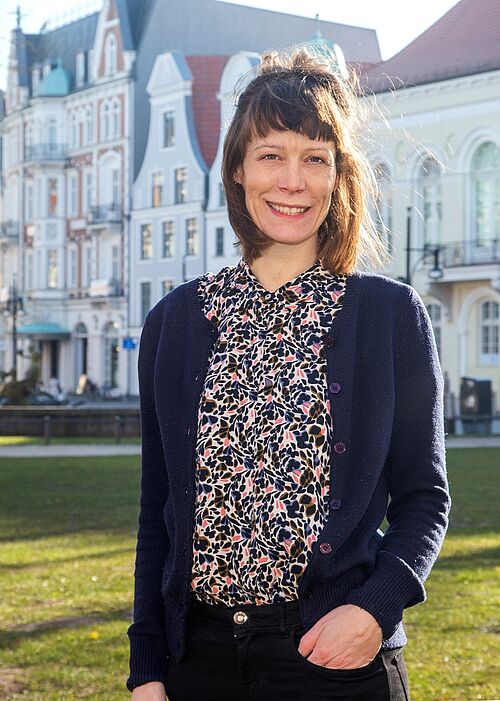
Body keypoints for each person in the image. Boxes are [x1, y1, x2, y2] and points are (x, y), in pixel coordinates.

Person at [127, 46, 451, 701]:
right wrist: (148, 668)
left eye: (315, 158)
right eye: (271, 154)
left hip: (335, 658)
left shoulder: (388, 316)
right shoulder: (176, 323)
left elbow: (425, 499)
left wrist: (374, 609)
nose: (292, 180)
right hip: (202, 662)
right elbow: (158, 516)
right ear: (240, 171)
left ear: (338, 176)